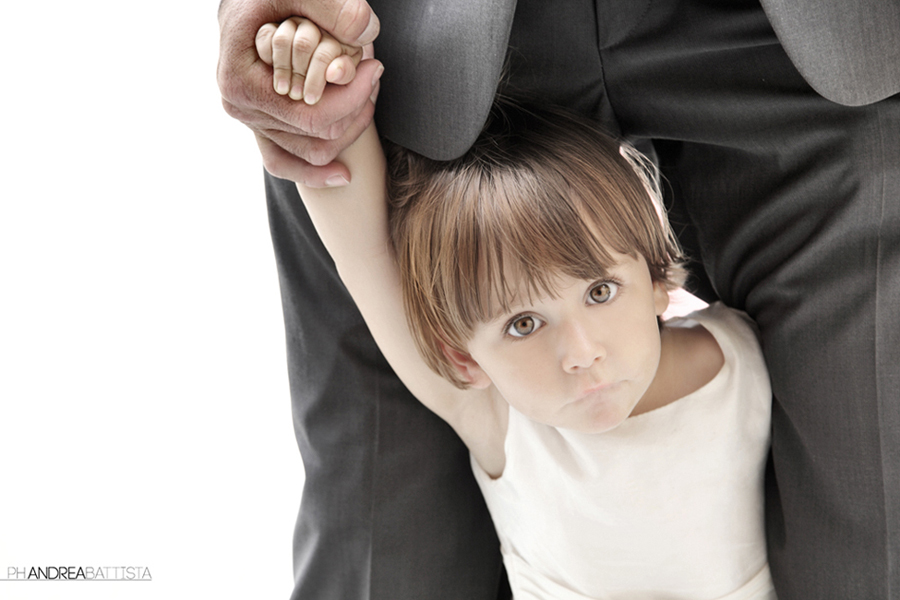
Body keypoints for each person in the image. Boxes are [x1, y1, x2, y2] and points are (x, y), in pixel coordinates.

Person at [217, 0, 900, 598]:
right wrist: (311, 81)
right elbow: (365, 253)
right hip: (436, 40)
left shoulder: (739, 363)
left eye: (600, 291)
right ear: (462, 356)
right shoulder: (496, 422)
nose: (581, 352)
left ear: (661, 282)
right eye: (523, 324)